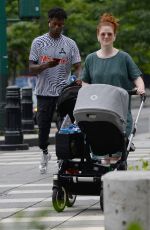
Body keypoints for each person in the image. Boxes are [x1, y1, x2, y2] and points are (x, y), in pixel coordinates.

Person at [81, 13, 145, 163]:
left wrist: (140, 88)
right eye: (103, 34)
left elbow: (137, 77)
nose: (106, 36)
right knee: (102, 158)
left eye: (109, 34)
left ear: (114, 36)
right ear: (98, 36)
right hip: (98, 112)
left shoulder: (124, 58)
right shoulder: (91, 59)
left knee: (117, 157)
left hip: (120, 115)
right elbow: (85, 83)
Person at [29, 7, 81, 174]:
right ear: (49, 22)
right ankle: (44, 152)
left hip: (63, 93)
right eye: (55, 24)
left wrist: (78, 78)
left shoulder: (70, 43)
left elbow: (78, 64)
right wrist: (45, 65)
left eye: (61, 25)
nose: (58, 27)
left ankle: (62, 157)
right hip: (44, 93)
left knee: (64, 127)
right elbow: (31, 67)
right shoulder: (38, 42)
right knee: (43, 128)